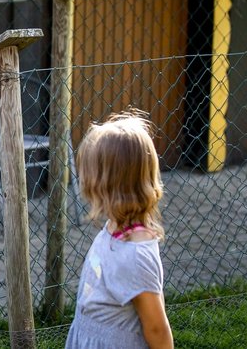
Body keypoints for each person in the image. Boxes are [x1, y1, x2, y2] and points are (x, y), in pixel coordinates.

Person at [65, 111, 173, 349]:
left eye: (89, 172)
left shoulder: (135, 256)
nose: (83, 178)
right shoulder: (115, 226)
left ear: (106, 185)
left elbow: (157, 328)